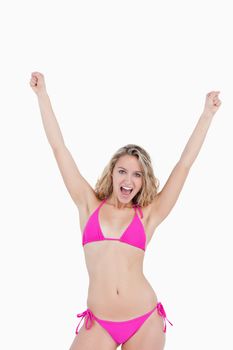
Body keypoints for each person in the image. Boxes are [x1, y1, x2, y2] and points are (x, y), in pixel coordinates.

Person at [29, 72, 221, 350]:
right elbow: (59, 149)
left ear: (144, 181)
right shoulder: (88, 204)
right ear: (112, 173)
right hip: (99, 323)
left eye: (137, 174)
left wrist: (206, 115)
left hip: (143, 320)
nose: (128, 180)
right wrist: (42, 95)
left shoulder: (149, 215)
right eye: (122, 171)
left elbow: (184, 165)